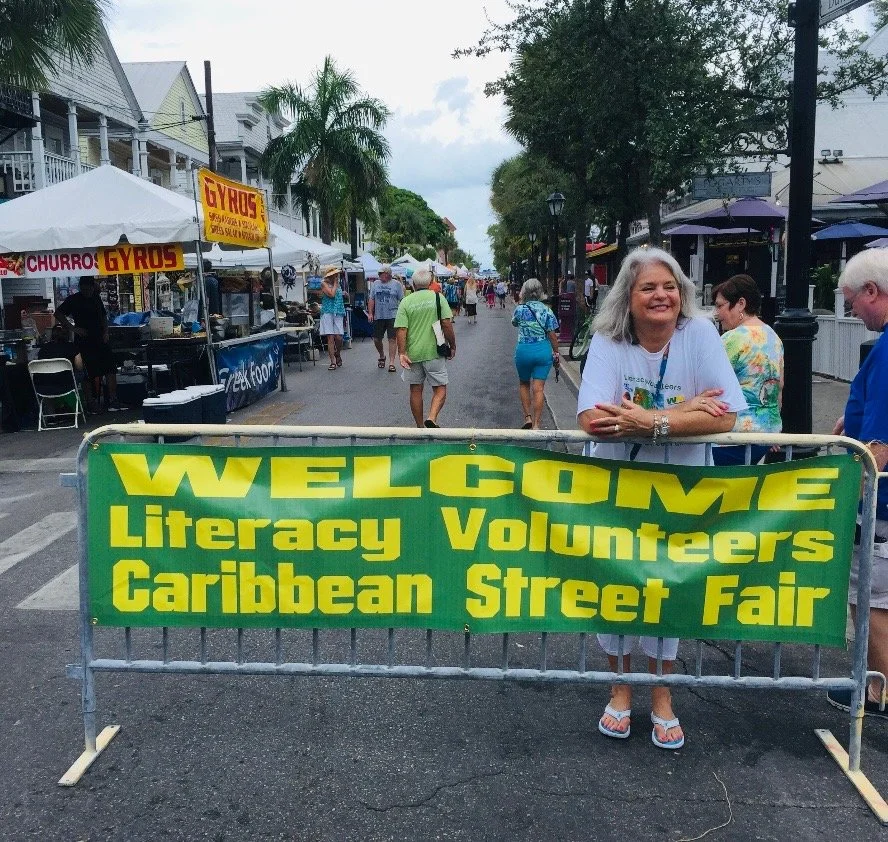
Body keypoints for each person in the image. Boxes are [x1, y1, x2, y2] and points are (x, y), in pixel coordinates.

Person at [577, 247, 746, 750]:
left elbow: (725, 416)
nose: (662, 295)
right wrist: (685, 410)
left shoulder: (699, 335)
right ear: (628, 299)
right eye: (648, 287)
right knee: (617, 586)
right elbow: (594, 420)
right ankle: (621, 690)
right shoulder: (609, 340)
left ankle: (664, 697)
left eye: (669, 286)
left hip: (682, 491)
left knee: (670, 586)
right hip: (616, 489)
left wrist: (651, 420)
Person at [827, 248, 888, 719]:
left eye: (851, 301)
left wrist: (859, 498)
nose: (850, 311)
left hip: (881, 505)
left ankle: (880, 696)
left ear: (873, 292)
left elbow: (881, 440)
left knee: (871, 602)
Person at [705, 274, 784, 466]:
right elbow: (778, 387)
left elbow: (706, 386)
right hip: (766, 436)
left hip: (732, 437)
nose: (717, 313)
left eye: (720, 305)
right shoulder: (774, 337)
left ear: (740, 304)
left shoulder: (732, 339)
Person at [394, 267, 456, 428]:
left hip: (413, 354)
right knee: (440, 389)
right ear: (430, 283)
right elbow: (446, 324)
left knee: (415, 390)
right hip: (434, 352)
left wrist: (401, 353)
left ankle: (420, 427)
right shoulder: (438, 298)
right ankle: (432, 417)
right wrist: (453, 345)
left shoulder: (406, 302)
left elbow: (401, 329)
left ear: (413, 284)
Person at [54, 275, 119, 412]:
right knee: (87, 373)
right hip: (84, 340)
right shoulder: (74, 299)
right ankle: (91, 402)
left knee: (110, 368)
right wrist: (73, 328)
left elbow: (103, 317)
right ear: (80, 288)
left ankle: (113, 400)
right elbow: (58, 313)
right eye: (84, 289)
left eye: (89, 289)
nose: (87, 292)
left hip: (100, 338)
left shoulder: (96, 298)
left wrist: (106, 332)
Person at [512, 278, 559, 429]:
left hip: (524, 350)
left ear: (524, 292)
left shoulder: (520, 309)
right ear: (540, 292)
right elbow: (552, 334)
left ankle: (527, 417)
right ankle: (537, 424)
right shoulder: (547, 310)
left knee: (524, 383)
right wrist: (556, 352)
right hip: (542, 351)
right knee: (538, 389)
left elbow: (514, 322)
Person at [368, 264, 404, 372]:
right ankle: (382, 355)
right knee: (376, 339)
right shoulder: (375, 284)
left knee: (392, 339)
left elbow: (402, 300)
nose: (379, 275)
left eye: (381, 273)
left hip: (393, 315)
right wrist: (370, 313)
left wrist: (402, 315)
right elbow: (371, 299)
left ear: (388, 274)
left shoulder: (396, 284)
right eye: (378, 273)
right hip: (379, 315)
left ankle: (392, 363)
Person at [319, 265, 346, 370]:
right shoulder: (324, 283)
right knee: (330, 337)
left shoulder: (338, 284)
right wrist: (335, 284)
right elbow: (331, 294)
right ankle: (332, 362)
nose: (336, 276)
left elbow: (339, 297)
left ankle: (337, 353)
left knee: (339, 336)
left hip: (338, 311)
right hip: (327, 312)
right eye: (334, 274)